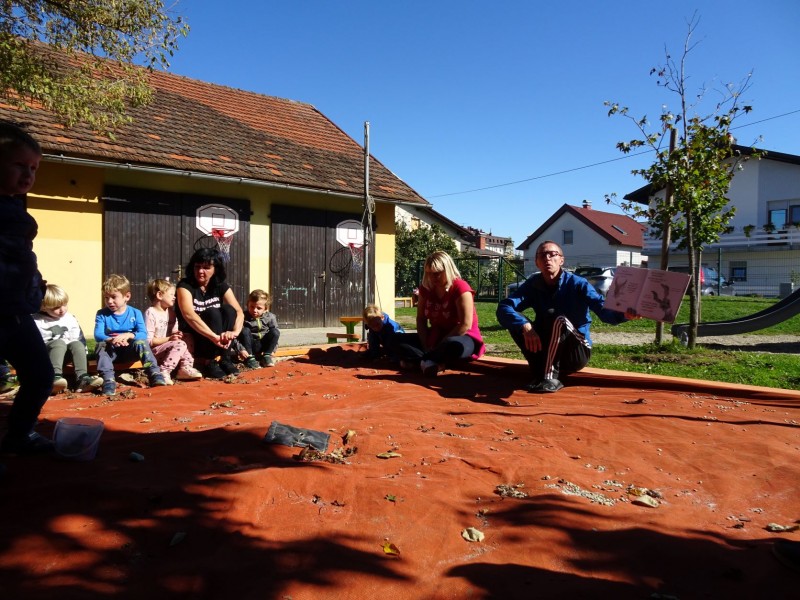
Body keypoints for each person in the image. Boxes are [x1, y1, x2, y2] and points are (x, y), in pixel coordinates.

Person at [496, 240, 629, 393]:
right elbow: (504, 307)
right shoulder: (533, 284)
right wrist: (524, 326)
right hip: (546, 348)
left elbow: (603, 309)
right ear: (537, 262)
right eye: (542, 255)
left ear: (561, 260)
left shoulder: (578, 284)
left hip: (575, 351)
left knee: (558, 318)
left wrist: (624, 314)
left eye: (552, 254)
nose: (547, 258)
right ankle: (540, 370)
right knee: (516, 321)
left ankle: (549, 377)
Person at [0, 121, 55, 455]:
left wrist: (36, 286)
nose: (28, 175)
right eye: (19, 165)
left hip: (17, 311)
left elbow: (22, 258)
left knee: (40, 375)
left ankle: (20, 434)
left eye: (33, 168)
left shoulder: (15, 204)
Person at [391, 250, 485, 376]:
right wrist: (425, 344)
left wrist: (440, 345)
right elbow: (421, 319)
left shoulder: (461, 288)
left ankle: (421, 361)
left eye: (437, 273)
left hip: (462, 337)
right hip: (435, 337)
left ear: (448, 270)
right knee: (394, 339)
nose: (432, 277)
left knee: (454, 346)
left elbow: (465, 325)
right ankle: (430, 362)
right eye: (428, 273)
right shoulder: (425, 288)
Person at [175, 247, 244, 379]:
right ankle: (209, 361)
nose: (200, 271)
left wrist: (234, 332)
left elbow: (239, 311)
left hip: (219, 340)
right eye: (197, 267)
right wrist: (213, 337)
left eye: (206, 268)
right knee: (213, 312)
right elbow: (189, 315)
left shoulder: (220, 285)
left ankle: (225, 359)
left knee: (229, 310)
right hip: (197, 337)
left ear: (215, 269)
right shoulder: (185, 285)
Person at [94, 274, 166, 396]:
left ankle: (154, 373)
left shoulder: (135, 313)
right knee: (101, 346)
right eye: (106, 298)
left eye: (113, 297)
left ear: (127, 296)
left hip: (130, 351)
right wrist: (111, 339)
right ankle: (108, 380)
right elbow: (98, 334)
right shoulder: (102, 314)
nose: (109, 301)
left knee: (141, 342)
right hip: (112, 351)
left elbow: (143, 333)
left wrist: (129, 335)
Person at [33, 284, 103, 394]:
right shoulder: (37, 320)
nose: (62, 310)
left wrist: (83, 355)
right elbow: (33, 343)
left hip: (65, 355)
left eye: (64, 305)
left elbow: (78, 338)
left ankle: (82, 378)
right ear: (44, 306)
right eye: (56, 308)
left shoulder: (70, 318)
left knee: (77, 344)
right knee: (58, 343)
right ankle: (54, 377)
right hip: (45, 357)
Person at [144, 278, 203, 385]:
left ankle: (185, 367)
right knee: (180, 344)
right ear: (159, 295)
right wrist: (169, 339)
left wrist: (178, 334)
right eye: (171, 294)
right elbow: (149, 341)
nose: (174, 297)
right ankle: (164, 371)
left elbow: (174, 332)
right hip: (155, 351)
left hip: (170, 346)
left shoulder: (171, 312)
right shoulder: (151, 313)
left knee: (188, 337)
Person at [234, 289, 280, 368]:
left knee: (275, 332)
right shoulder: (243, 316)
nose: (254, 310)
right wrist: (240, 349)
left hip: (263, 344)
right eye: (252, 307)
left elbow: (275, 336)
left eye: (259, 308)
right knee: (245, 330)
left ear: (265, 308)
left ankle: (266, 356)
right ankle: (249, 358)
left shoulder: (270, 317)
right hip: (249, 346)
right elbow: (235, 336)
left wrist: (273, 349)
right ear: (248, 304)